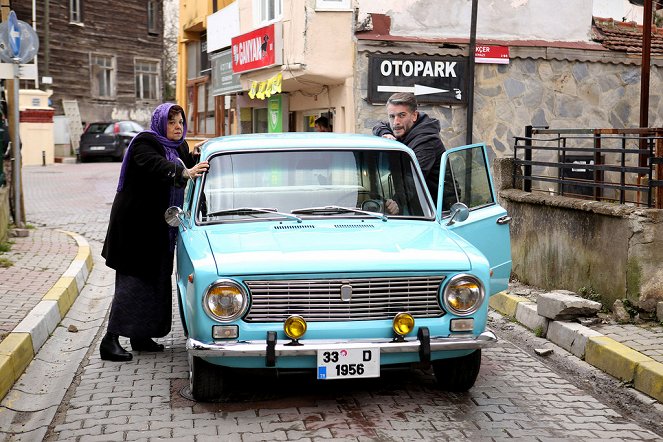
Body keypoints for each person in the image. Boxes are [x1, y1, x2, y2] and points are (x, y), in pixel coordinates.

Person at [100, 103, 209, 362]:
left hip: (160, 230)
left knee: (156, 281)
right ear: (161, 123)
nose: (177, 126)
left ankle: (141, 336)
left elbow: (188, 168)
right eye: (172, 122)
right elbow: (157, 166)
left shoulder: (179, 146)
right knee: (132, 284)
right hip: (134, 231)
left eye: (181, 122)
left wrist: (197, 157)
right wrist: (183, 171)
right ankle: (110, 340)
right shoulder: (144, 142)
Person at [372, 92, 445, 204]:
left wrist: (396, 203)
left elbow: (412, 181)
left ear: (414, 116)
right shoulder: (401, 128)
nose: (396, 122)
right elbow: (378, 125)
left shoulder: (426, 141)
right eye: (392, 116)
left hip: (439, 210)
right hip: (417, 205)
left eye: (402, 115)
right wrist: (385, 133)